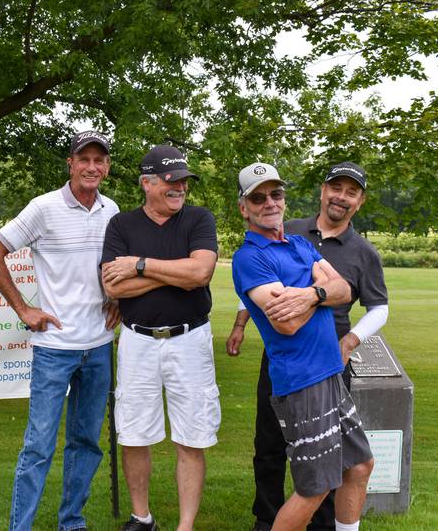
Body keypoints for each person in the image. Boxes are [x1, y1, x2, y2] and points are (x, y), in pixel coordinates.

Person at [226, 161, 389, 531]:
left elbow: (344, 290)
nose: (269, 203)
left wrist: (308, 294)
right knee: (315, 487)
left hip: (331, 370)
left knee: (359, 465)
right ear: (244, 207)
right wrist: (319, 290)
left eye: (276, 194)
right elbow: (287, 323)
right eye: (258, 197)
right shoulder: (250, 258)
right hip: (301, 382)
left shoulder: (299, 243)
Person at [0, 130, 121, 531]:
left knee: (86, 444)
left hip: (98, 347)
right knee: (39, 446)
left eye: (100, 160)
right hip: (54, 349)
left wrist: (118, 299)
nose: (92, 167)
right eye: (84, 159)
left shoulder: (112, 210)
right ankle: (19, 526)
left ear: (107, 167)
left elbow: (113, 270)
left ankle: (71, 522)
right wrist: (23, 308)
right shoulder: (43, 208)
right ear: (71, 164)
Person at [100, 144, 219, 531]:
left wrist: (140, 265)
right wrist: (174, 274)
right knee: (134, 432)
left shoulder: (199, 219)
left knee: (191, 435)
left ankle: (185, 526)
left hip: (190, 340)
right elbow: (112, 287)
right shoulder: (122, 225)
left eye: (183, 181)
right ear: (146, 183)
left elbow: (200, 274)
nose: (179, 187)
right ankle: (142, 517)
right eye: (171, 180)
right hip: (138, 340)